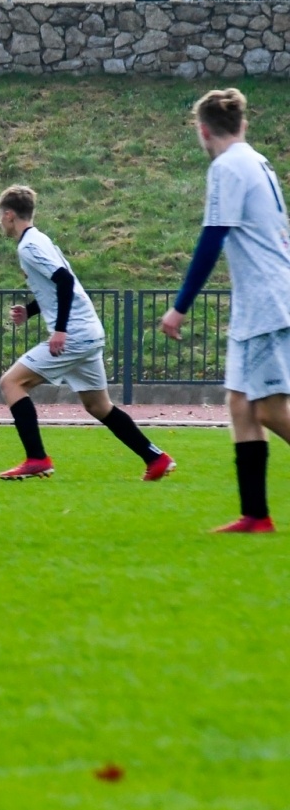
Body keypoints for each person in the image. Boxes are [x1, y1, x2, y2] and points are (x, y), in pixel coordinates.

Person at [161, 89, 290, 532]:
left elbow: (212, 238)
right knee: (240, 405)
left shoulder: (228, 166)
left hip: (266, 301)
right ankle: (255, 516)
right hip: (259, 301)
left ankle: (256, 516)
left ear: (202, 131)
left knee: (271, 410)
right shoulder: (255, 159)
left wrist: (179, 308)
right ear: (243, 124)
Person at [0, 186, 174, 481]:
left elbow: (64, 281)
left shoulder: (29, 246)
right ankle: (156, 458)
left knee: (11, 383)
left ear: (10, 215)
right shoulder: (40, 240)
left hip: (75, 335)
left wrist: (61, 330)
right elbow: (59, 286)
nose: (0, 222)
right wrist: (30, 311)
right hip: (89, 332)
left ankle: (37, 458)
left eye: (0, 216)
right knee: (98, 406)